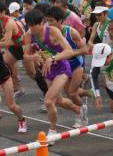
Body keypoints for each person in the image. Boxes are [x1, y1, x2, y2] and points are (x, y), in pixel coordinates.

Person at [23, 10, 81, 143]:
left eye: (34, 25)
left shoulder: (53, 31)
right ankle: (78, 110)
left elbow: (69, 51)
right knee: (58, 101)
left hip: (61, 67)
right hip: (47, 69)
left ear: (42, 23)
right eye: (29, 25)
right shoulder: (28, 34)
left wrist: (53, 58)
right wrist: (33, 56)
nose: (32, 28)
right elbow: (25, 55)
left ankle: (53, 131)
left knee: (48, 101)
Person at [46, 6, 89, 128]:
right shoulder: (48, 34)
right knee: (67, 95)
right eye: (47, 20)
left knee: (72, 93)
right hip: (63, 66)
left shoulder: (71, 32)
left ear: (60, 21)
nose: (49, 24)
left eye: (52, 21)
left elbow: (84, 49)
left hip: (76, 64)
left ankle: (82, 116)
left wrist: (68, 53)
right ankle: (87, 94)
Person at [0, 1, 25, 98]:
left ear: (3, 12)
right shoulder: (3, 21)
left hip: (22, 47)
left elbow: (6, 43)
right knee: (7, 64)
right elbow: (6, 38)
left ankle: (16, 86)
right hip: (15, 45)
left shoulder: (9, 23)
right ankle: (17, 87)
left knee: (33, 73)